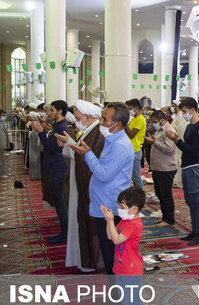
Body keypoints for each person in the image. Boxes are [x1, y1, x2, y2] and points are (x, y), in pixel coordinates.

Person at [69, 102, 135, 281]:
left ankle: (117, 297)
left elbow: (104, 174)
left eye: (104, 119)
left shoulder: (120, 145)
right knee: (109, 255)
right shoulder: (111, 140)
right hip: (104, 204)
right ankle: (115, 293)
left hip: (111, 207)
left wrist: (87, 154)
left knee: (112, 255)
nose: (100, 122)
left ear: (117, 124)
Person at [57, 100, 105, 273]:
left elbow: (90, 158)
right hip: (81, 182)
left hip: (89, 186)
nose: (76, 120)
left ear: (87, 116)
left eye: (78, 117)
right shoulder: (88, 132)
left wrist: (71, 144)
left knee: (89, 222)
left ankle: (92, 261)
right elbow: (81, 152)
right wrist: (70, 142)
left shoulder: (97, 133)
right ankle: (85, 260)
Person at [101, 186, 146, 305]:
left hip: (131, 270)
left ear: (134, 209)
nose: (119, 209)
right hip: (121, 267)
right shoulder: (126, 221)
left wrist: (110, 220)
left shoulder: (135, 224)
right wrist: (109, 220)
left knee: (133, 301)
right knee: (125, 300)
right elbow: (110, 235)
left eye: (122, 207)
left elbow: (117, 240)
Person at [167, 97, 199, 245]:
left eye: (184, 111)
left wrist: (177, 140)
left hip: (193, 167)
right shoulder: (190, 125)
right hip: (186, 166)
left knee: (196, 201)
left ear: (192, 110)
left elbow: (195, 151)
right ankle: (194, 229)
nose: (183, 114)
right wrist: (177, 140)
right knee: (189, 201)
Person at [32, 101, 71, 244]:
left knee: (60, 203)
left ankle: (65, 234)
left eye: (52, 110)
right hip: (55, 168)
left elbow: (50, 148)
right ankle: (64, 232)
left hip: (58, 169)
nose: (50, 113)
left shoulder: (62, 127)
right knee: (58, 202)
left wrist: (40, 132)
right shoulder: (57, 126)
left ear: (60, 112)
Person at [145, 110, 177, 227]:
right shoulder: (160, 130)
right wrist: (152, 142)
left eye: (155, 122)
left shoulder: (169, 131)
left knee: (166, 195)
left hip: (166, 168)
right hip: (158, 167)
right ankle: (165, 216)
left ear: (162, 120)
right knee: (160, 194)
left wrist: (155, 142)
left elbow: (169, 149)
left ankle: (169, 219)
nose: (153, 124)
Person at [124, 98, 146, 189]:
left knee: (136, 176)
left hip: (136, 150)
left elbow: (132, 134)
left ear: (136, 108)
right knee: (131, 176)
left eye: (129, 108)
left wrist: (124, 124)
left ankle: (140, 195)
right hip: (131, 149)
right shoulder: (134, 119)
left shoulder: (140, 119)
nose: (129, 111)